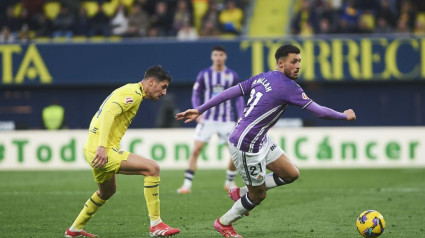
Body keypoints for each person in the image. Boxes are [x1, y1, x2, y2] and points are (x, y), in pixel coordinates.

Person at [176, 45, 356, 237]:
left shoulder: (263, 77)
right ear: (281, 63)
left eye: (299, 61)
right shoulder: (289, 88)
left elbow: (230, 92)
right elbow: (318, 111)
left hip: (260, 139)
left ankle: (241, 192)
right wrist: (344, 116)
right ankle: (224, 223)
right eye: (293, 61)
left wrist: (201, 108)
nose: (298, 66)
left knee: (291, 173)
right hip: (246, 146)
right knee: (259, 194)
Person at [64, 66, 180, 237]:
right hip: (101, 150)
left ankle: (74, 230)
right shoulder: (133, 93)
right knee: (152, 168)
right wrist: (102, 147)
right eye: (163, 87)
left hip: (93, 147)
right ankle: (156, 224)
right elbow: (108, 114)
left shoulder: (131, 91)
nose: (164, 93)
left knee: (107, 191)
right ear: (151, 82)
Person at [177, 45, 245, 194]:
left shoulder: (232, 75)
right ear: (212, 57)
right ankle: (187, 185)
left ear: (225, 57)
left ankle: (229, 181)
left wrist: (241, 114)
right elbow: (196, 93)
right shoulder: (204, 74)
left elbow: (239, 97)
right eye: (216, 55)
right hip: (207, 120)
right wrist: (197, 111)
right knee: (196, 150)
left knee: (235, 151)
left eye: (221, 55)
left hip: (227, 120)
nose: (218, 57)